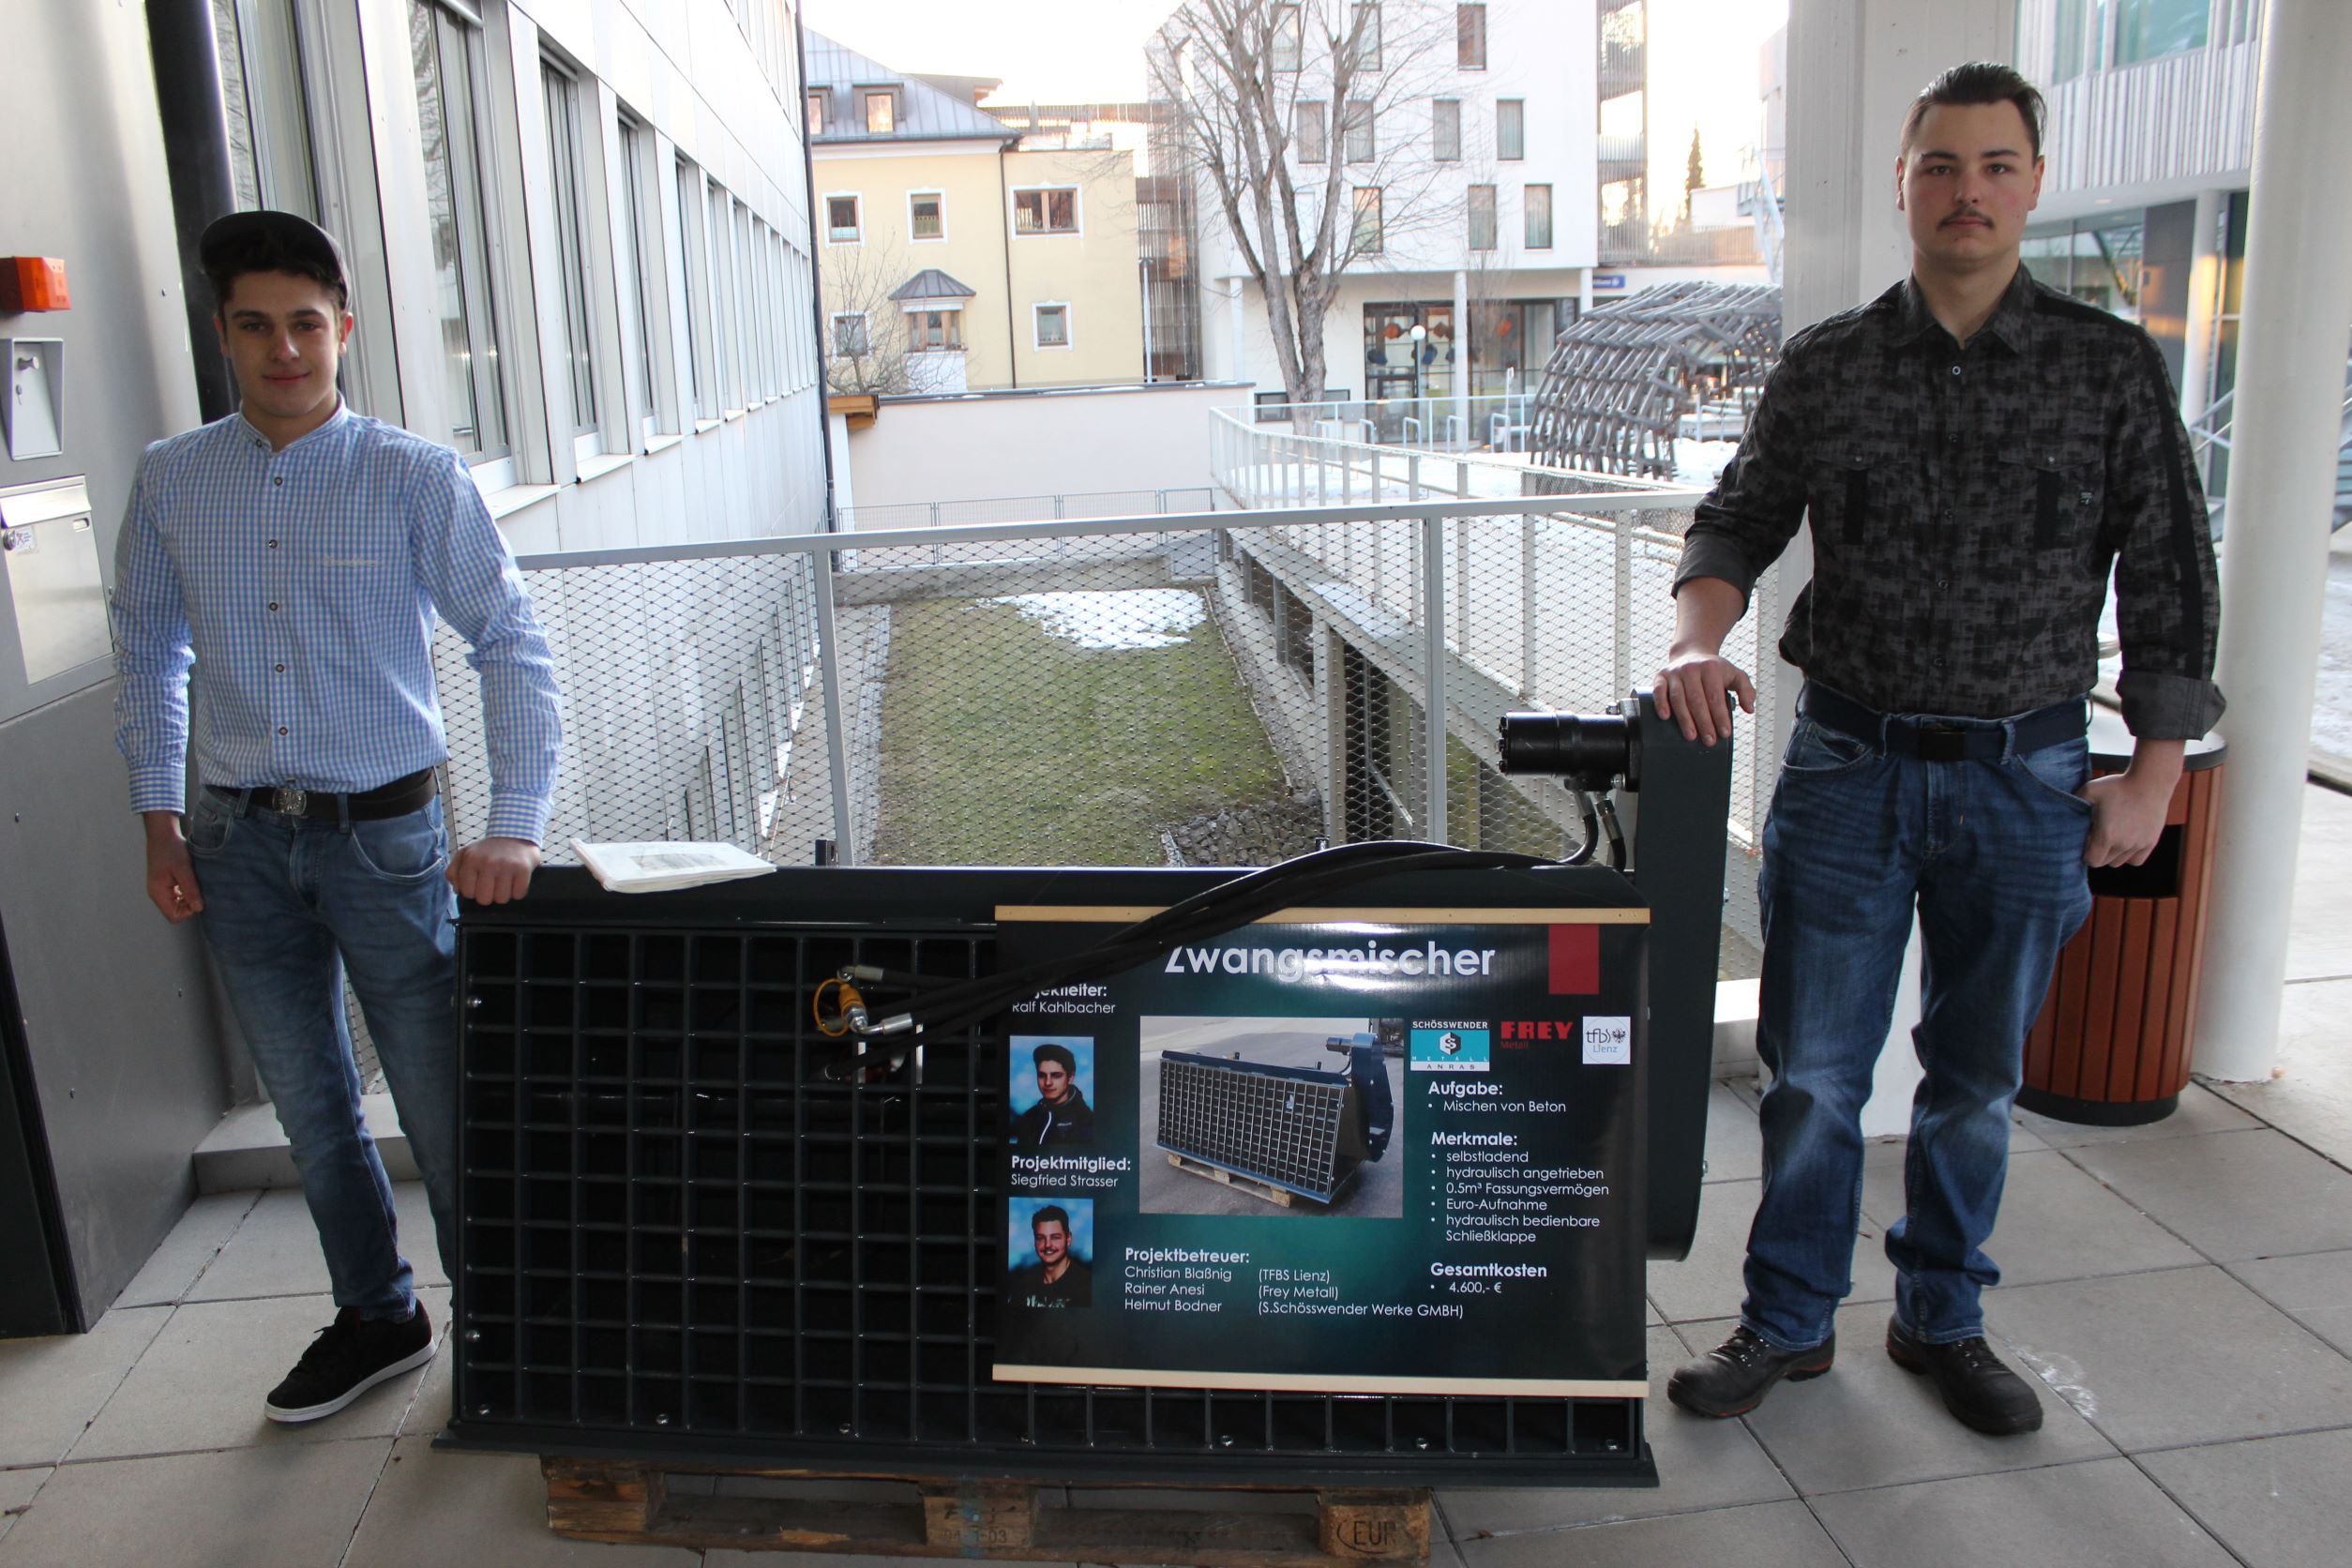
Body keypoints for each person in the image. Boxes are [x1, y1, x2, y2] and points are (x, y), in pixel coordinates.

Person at [1655, 65, 2221, 1436]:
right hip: (1847, 770)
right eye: (1940, 165)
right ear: (1905, 184)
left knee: (1973, 1088)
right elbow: (1738, 523)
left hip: (2026, 784)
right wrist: (1691, 637)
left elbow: (2171, 582)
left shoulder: (2106, 371)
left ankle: (1941, 1319)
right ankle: (1788, 1322)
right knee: (1816, 1081)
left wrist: (2153, 772)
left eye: (1994, 165)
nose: (1966, 190)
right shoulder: (1831, 365)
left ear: (2031, 184)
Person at [112, 211, 561, 1425]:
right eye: (255, 325)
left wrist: (514, 821)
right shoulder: (171, 478)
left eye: (305, 324)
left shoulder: (413, 477)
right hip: (233, 842)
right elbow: (149, 653)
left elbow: (511, 645)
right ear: (223, 334)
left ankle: (501, 1330)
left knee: (440, 1098)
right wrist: (160, 815)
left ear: (343, 329)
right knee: (310, 1105)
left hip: (387, 840)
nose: (284, 349)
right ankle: (377, 1316)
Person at [1011, 1042, 1094, 1147]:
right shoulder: (1029, 1118)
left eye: (1056, 1075)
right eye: (1042, 1075)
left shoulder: (1088, 1120)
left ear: (1070, 1078)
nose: (1048, 1082)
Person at [1008, 1206, 1093, 1308]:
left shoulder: (1087, 1285)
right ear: (1035, 1241)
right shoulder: (1023, 1285)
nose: (1047, 1245)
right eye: (1040, 1238)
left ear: (1068, 1238)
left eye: (1055, 1237)